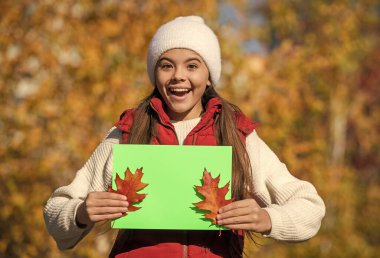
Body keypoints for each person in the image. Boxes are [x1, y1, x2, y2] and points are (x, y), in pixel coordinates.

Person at [44, 16, 325, 257]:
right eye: (166, 65)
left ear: (209, 76)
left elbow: (309, 208)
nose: (179, 75)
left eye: (192, 66)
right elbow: (55, 213)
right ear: (155, 74)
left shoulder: (237, 136)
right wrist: (81, 212)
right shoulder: (127, 133)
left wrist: (266, 218)